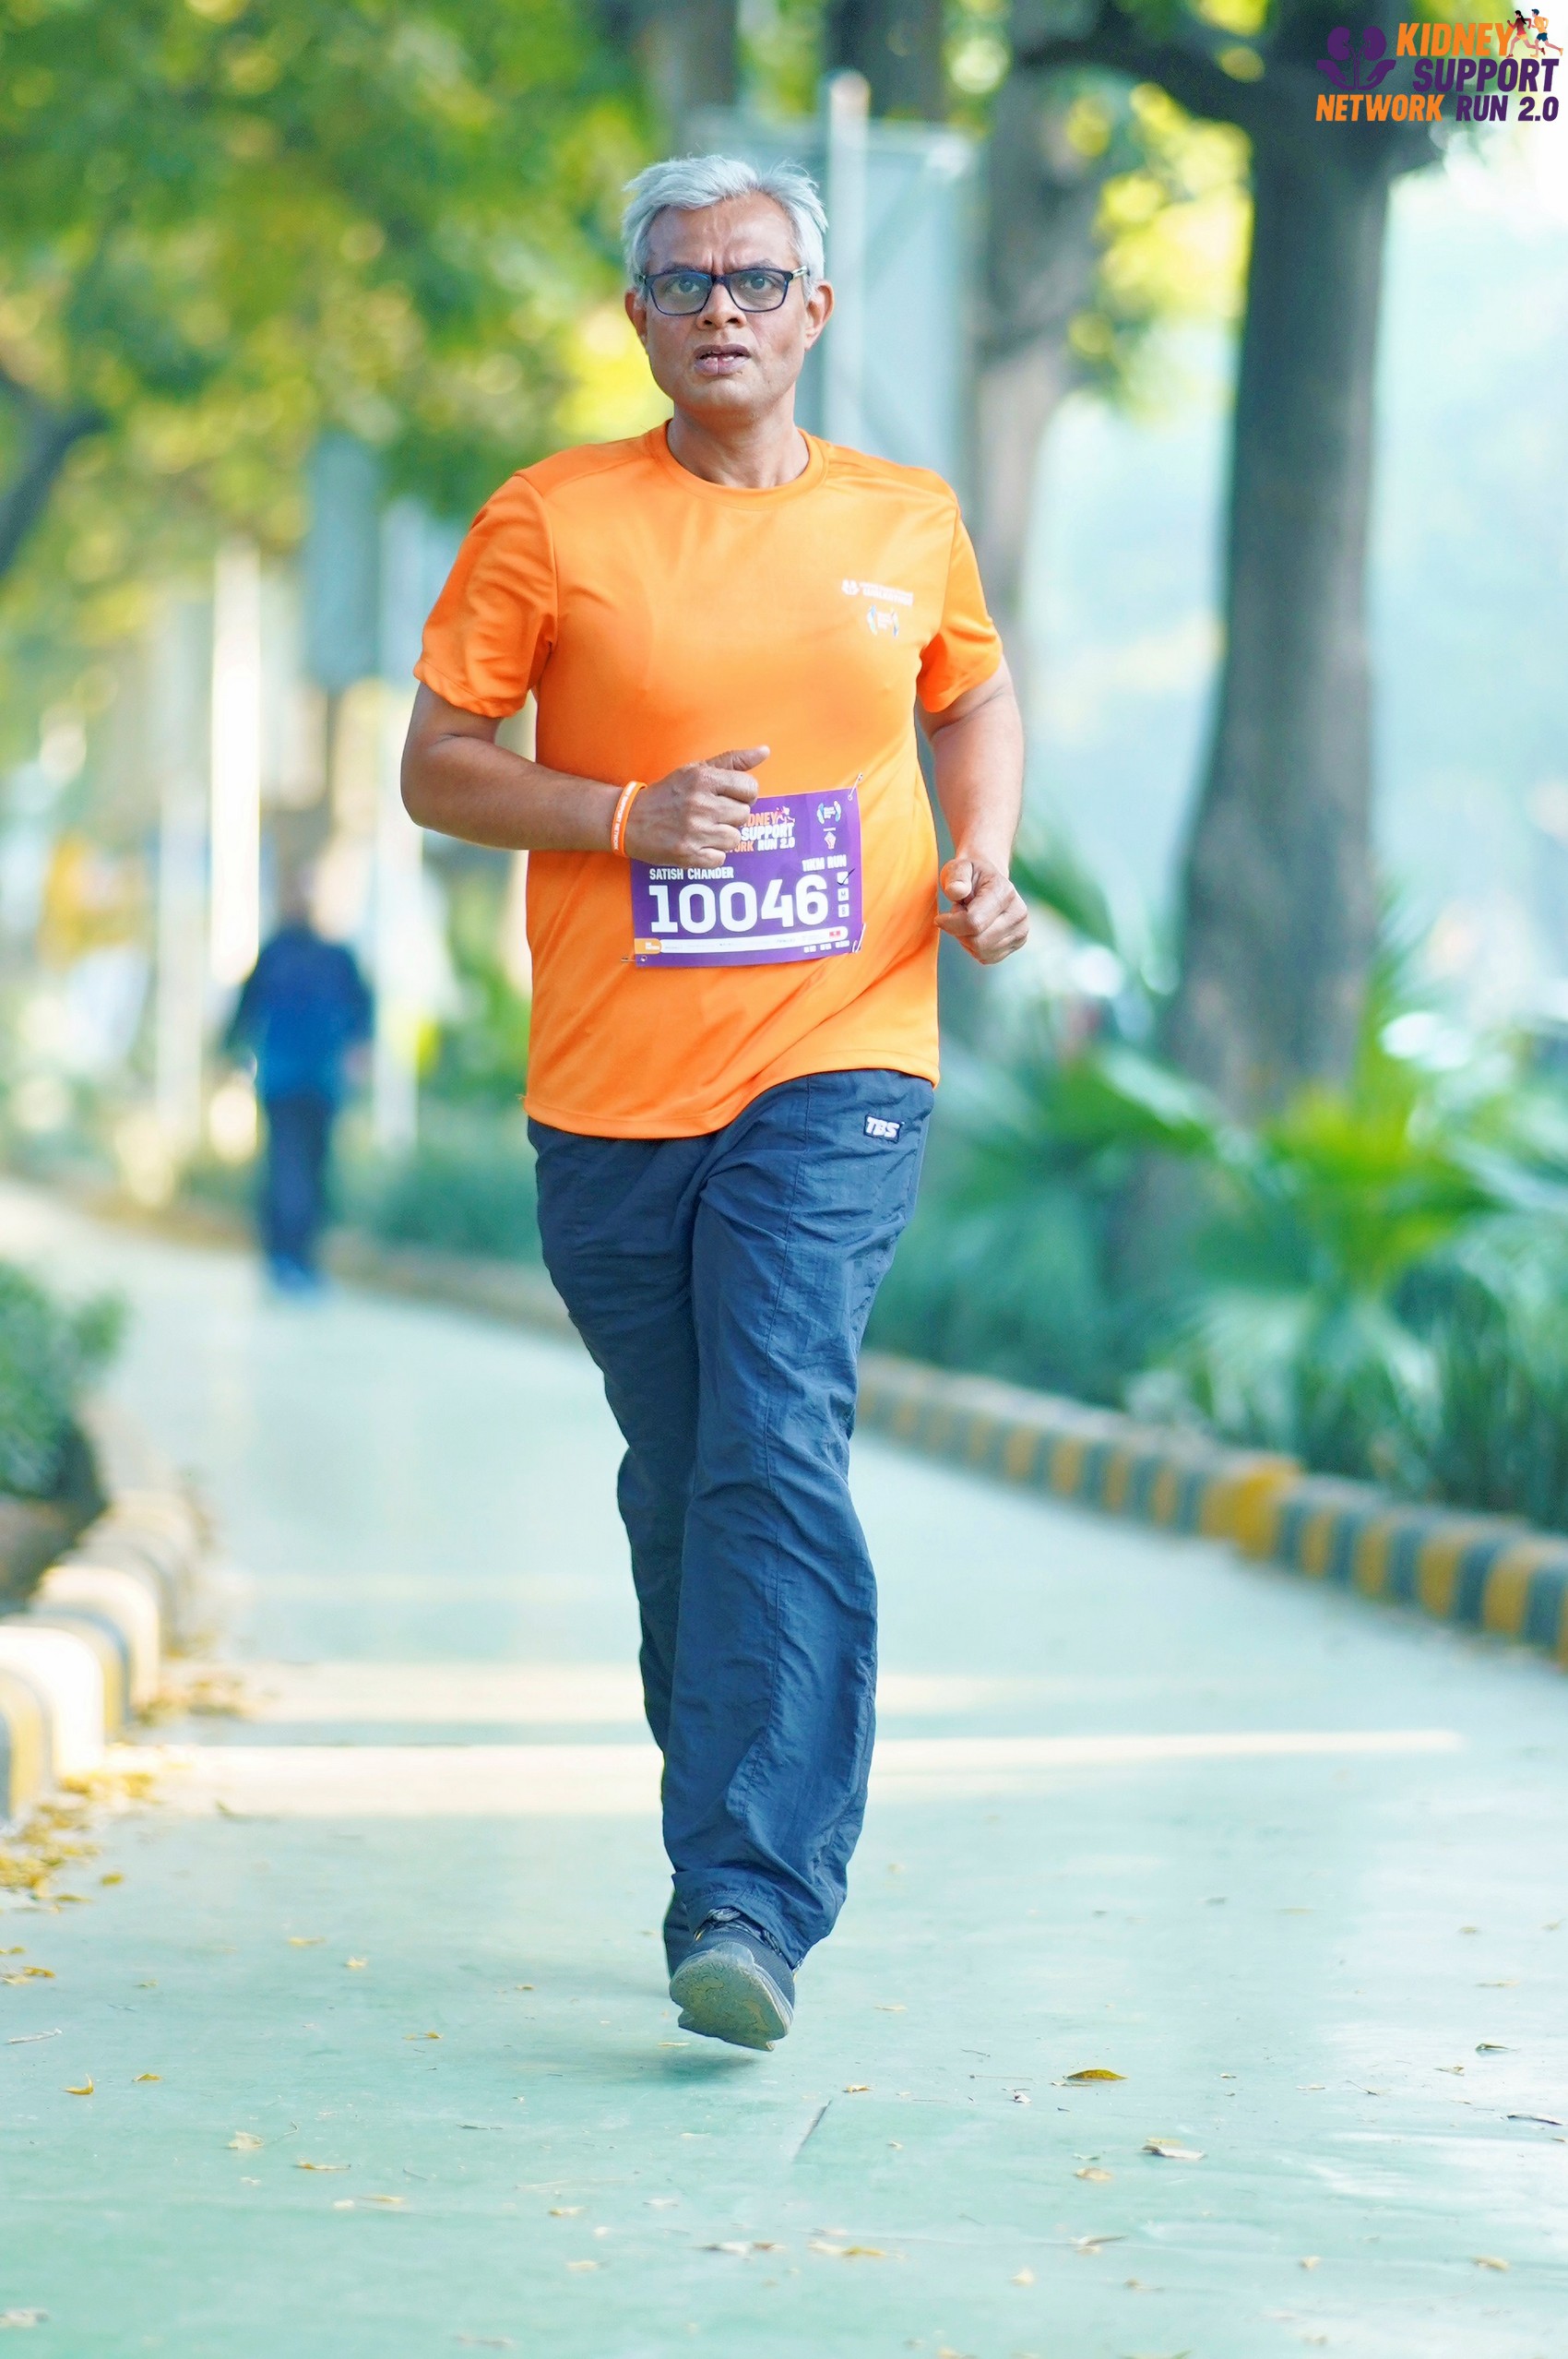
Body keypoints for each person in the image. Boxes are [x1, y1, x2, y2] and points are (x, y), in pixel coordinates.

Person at [401, 153, 1028, 2051]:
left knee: (772, 1430)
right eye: (683, 281)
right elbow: (439, 762)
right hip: (610, 1092)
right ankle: (732, 1802)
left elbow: (969, 697)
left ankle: (747, 1898)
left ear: (815, 309)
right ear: (638, 318)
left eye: (757, 276)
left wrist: (983, 855)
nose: (721, 308)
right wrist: (618, 813)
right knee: (687, 1473)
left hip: (841, 1054)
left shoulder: (904, 517)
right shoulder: (552, 520)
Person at [225, 877, 373, 1292]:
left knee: (309, 1168)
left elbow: (362, 1011)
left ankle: (300, 1257)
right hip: (286, 1082)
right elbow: (246, 1010)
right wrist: (230, 1055)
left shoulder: (335, 957)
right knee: (289, 1168)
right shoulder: (276, 955)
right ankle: (285, 1256)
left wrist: (359, 1052)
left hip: (317, 1083)